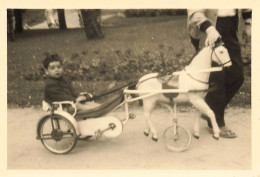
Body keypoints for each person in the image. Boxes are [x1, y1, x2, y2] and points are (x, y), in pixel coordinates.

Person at [187, 9, 251, 138]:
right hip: (208, 28)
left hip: (231, 27)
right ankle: (217, 122)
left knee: (237, 75)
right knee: (217, 79)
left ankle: (209, 109)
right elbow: (194, 11)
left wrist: (249, 22)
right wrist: (209, 29)